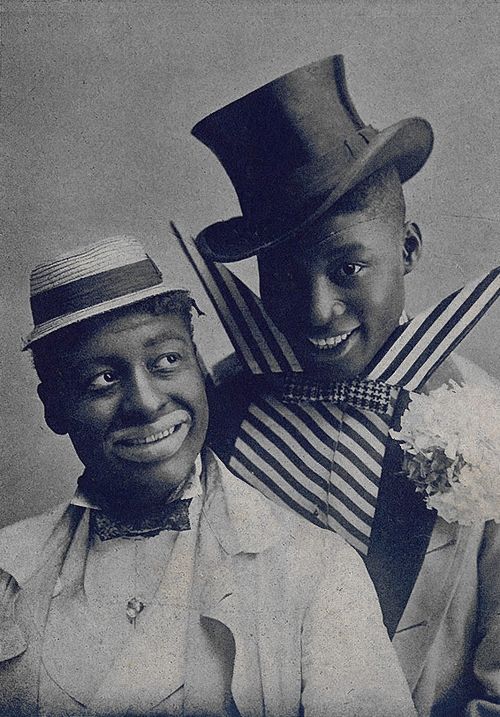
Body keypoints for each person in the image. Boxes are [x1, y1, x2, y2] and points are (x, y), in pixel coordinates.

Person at [187, 55, 500, 716]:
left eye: (349, 266)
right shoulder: (218, 408)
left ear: (408, 249)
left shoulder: (483, 421)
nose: (317, 309)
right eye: (285, 275)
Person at [0, 236, 416, 717]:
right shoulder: (9, 569)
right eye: (102, 380)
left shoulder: (314, 568)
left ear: (199, 368)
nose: (147, 402)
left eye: (166, 363)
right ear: (54, 407)